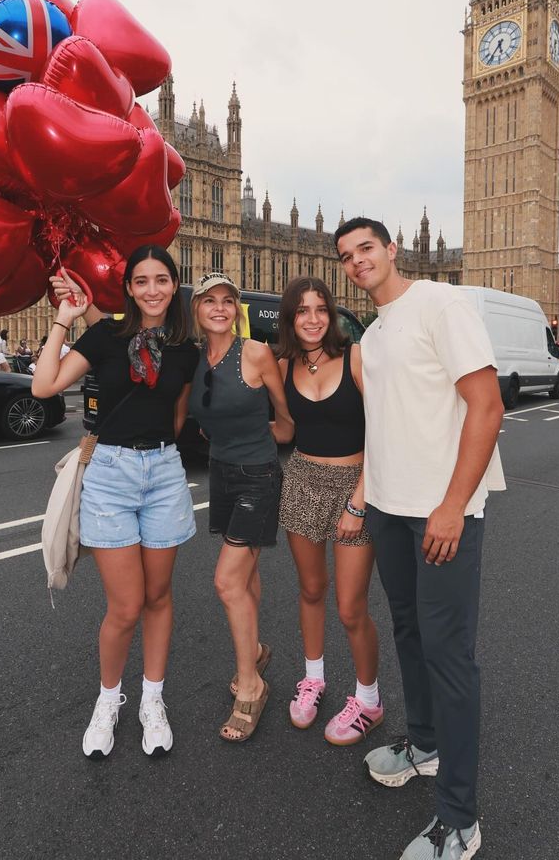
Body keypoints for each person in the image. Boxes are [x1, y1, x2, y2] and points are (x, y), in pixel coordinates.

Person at [334, 217, 505, 860]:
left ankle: (460, 819)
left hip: (441, 513)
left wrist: (454, 505)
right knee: (408, 629)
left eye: (367, 249)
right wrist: (362, 502)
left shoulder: (440, 302)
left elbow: (486, 405)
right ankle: (425, 745)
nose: (358, 262)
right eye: (347, 256)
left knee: (450, 656)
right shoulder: (372, 337)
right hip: (388, 509)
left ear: (392, 249)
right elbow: (385, 429)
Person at [34, 247, 199, 760]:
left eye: (162, 280)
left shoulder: (184, 349)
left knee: (158, 597)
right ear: (128, 288)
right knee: (125, 606)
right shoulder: (104, 336)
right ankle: (108, 701)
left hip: (165, 473)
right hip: (109, 474)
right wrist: (63, 321)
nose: (152, 289)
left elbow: (176, 415)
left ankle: (153, 698)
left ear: (175, 286)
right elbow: (44, 385)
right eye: (142, 281)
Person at [275, 277, 383, 745]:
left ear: (333, 313)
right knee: (311, 589)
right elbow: (282, 430)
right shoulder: (282, 366)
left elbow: (384, 431)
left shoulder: (356, 358)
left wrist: (359, 500)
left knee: (351, 606)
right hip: (301, 480)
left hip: (354, 485)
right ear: (290, 318)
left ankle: (369, 699)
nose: (313, 319)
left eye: (321, 309)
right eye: (302, 311)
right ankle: (313, 679)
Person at [186, 273, 294, 742]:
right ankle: (256, 649)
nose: (219, 307)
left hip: (258, 475)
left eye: (228, 301)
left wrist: (257, 434)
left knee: (226, 580)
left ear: (237, 309)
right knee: (246, 577)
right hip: (222, 474)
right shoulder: (195, 359)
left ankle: (251, 686)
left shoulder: (255, 353)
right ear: (197, 310)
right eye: (209, 300)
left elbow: (286, 422)